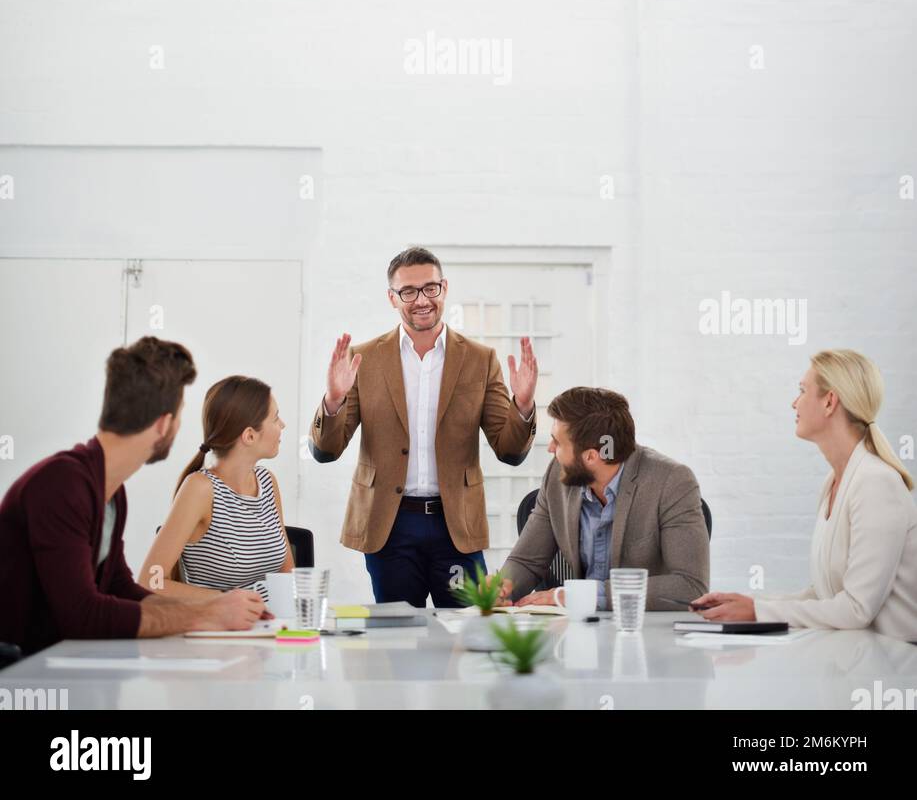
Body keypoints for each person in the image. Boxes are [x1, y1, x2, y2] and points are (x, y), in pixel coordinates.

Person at [0, 337, 271, 657]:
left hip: (64, 665)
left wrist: (217, 606)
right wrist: (203, 615)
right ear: (163, 424)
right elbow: (82, 615)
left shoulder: (110, 491)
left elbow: (121, 589)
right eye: (180, 414)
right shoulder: (62, 485)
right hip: (23, 674)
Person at [309, 245, 538, 607]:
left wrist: (522, 406)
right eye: (408, 291)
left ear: (444, 289)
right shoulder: (363, 359)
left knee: (465, 636)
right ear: (392, 298)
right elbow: (325, 451)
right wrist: (334, 400)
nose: (421, 300)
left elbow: (509, 451)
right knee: (397, 640)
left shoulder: (480, 360)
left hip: (455, 526)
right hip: (390, 526)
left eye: (430, 288)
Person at [692, 350, 917, 640]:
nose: (794, 402)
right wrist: (747, 603)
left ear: (829, 401)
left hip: (895, 665)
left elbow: (856, 609)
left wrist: (758, 612)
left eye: (802, 390)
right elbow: (824, 595)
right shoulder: (835, 482)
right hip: (856, 659)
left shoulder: (876, 483)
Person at [497, 386, 709, 609]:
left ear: (591, 456)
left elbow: (690, 586)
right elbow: (527, 560)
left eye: (557, 442)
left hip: (641, 630)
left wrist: (585, 595)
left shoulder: (671, 482)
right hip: (573, 630)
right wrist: (500, 589)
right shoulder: (557, 476)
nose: (550, 449)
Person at [139, 376, 294, 603]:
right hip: (221, 630)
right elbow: (149, 582)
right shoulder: (200, 489)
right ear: (249, 435)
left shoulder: (267, 482)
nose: (283, 425)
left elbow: (287, 574)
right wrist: (226, 600)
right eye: (275, 418)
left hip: (270, 627)